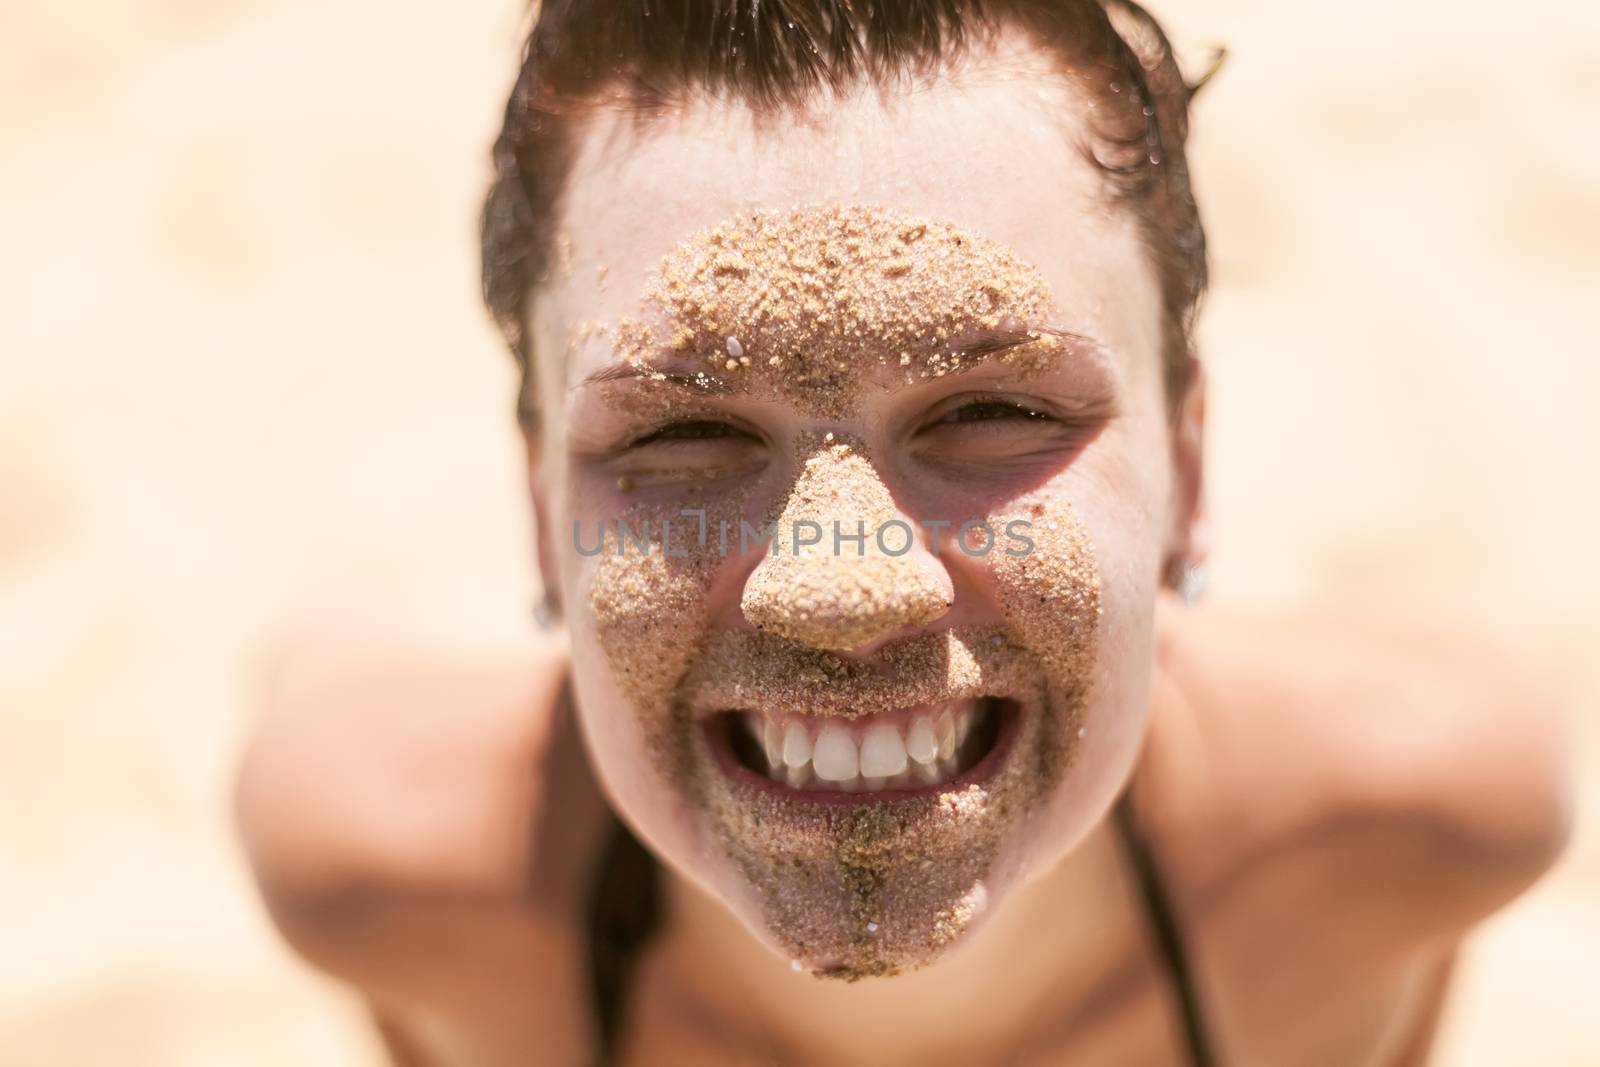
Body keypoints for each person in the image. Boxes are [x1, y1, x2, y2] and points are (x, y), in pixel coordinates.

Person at [235, 2, 1574, 1063]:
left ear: (1189, 464)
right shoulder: (395, 875)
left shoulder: (1409, 828)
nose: (838, 591)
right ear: (540, 522)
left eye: (991, 411)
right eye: (677, 435)